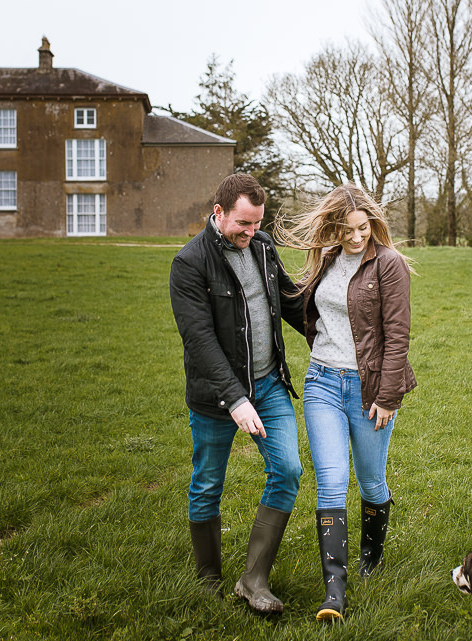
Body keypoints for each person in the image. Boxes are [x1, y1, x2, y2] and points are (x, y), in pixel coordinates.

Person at [276, 183, 416, 621]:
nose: (357, 238)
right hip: (321, 381)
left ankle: (371, 560)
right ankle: (334, 592)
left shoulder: (388, 265)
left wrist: (389, 395)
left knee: (371, 481)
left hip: (369, 388)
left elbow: (397, 335)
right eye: (347, 230)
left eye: (363, 228)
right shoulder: (327, 260)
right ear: (333, 229)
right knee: (332, 481)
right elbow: (300, 307)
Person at [169, 173, 305, 614]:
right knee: (208, 483)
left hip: (267, 384)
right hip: (215, 397)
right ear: (218, 212)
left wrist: (338, 337)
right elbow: (200, 341)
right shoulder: (189, 263)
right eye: (243, 224)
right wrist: (236, 399)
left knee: (287, 470)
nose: (250, 233)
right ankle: (208, 580)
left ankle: (254, 579)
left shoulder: (263, 246)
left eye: (256, 224)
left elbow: (288, 301)